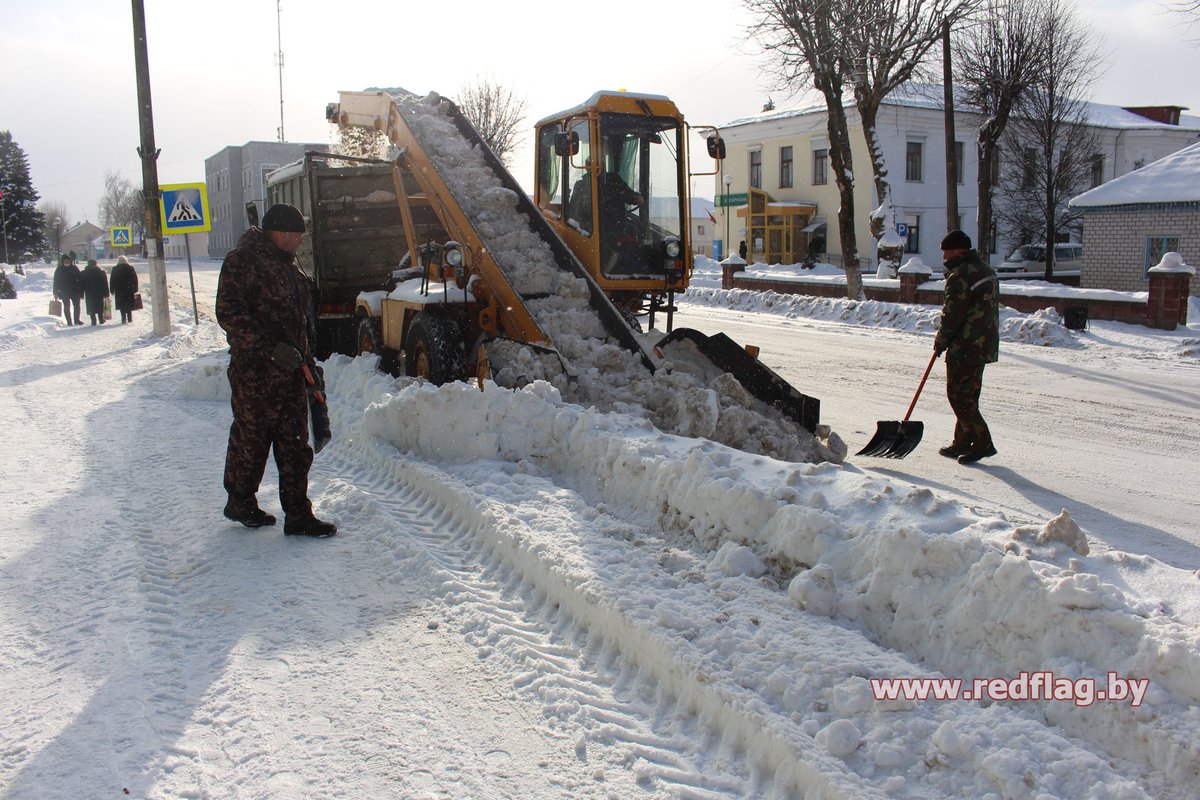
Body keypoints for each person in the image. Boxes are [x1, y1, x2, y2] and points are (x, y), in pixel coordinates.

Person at [215, 202, 337, 537]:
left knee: (295, 445)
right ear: (277, 231)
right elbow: (229, 314)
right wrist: (270, 347)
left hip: (291, 374)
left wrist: (309, 366)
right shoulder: (243, 261)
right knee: (251, 441)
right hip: (254, 375)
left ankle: (298, 515)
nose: (299, 240)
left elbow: (299, 327)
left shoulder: (288, 267)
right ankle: (240, 502)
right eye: (296, 234)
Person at [934, 230, 1000, 465]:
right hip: (984, 343)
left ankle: (983, 443)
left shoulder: (961, 275)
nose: (944, 257)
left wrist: (941, 340)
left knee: (959, 396)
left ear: (959, 250)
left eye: (947, 251)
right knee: (969, 394)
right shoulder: (985, 270)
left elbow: (953, 315)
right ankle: (962, 441)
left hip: (966, 344)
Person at [52, 254, 83, 326]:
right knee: (66, 306)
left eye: (68, 260)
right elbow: (56, 281)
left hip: (75, 291)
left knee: (77, 306)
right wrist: (55, 292)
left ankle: (77, 320)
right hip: (64, 291)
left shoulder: (74, 268)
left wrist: (79, 289)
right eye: (65, 260)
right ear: (62, 261)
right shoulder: (59, 269)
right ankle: (69, 321)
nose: (67, 261)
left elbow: (80, 279)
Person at [110, 255, 139, 324]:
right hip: (129, 289)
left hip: (119, 289)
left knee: (121, 304)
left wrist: (112, 289)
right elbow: (135, 279)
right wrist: (135, 288)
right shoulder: (130, 268)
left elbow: (112, 280)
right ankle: (129, 318)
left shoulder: (115, 269)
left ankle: (123, 318)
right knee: (129, 304)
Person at [81, 259, 110, 326]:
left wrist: (81, 294)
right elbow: (105, 284)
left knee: (91, 306)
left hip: (89, 292)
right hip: (99, 292)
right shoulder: (101, 272)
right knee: (99, 306)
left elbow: (81, 285)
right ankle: (100, 320)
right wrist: (106, 293)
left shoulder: (84, 273)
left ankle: (94, 321)